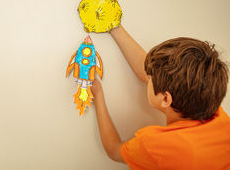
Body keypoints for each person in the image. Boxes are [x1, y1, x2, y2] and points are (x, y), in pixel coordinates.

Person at [91, 25, 230, 169]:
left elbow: (114, 150)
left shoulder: (155, 145)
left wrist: (98, 95)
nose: (147, 77)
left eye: (150, 78)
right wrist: (114, 27)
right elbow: (149, 69)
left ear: (165, 99)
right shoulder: (216, 112)